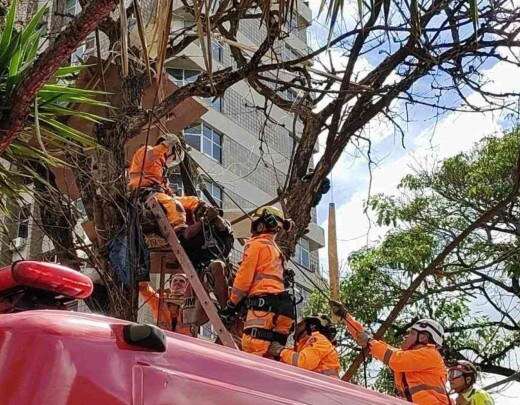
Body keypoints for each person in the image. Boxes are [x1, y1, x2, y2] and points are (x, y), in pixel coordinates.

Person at [331, 301, 451, 404]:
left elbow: (396, 359)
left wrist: (369, 342)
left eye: (412, 333)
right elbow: (372, 341)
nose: (406, 336)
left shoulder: (430, 354)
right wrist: (346, 317)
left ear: (423, 337)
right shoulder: (408, 357)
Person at [220, 206, 296, 356]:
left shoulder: (256, 245)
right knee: (271, 353)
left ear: (260, 224)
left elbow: (244, 279)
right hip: (282, 308)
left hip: (262, 306)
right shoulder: (276, 251)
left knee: (253, 349)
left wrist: (232, 304)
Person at [268, 314, 340, 377]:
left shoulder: (320, 340)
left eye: (300, 324)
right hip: (317, 387)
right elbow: (288, 359)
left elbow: (303, 362)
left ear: (312, 326)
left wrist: (280, 350)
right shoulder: (303, 347)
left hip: (324, 388)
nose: (296, 328)